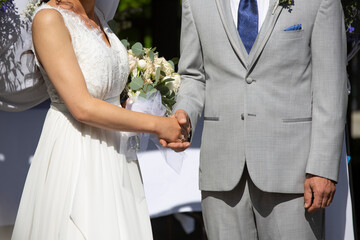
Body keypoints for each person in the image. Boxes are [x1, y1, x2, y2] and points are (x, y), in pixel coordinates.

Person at [162, 0, 348, 239]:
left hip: (293, 173)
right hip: (221, 171)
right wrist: (183, 113)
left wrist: (322, 167)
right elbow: (193, 76)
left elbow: (331, 86)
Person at [11, 0, 187, 239]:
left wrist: (146, 106)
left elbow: (108, 92)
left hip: (116, 153)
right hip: (77, 149)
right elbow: (82, 107)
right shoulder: (49, 19)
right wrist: (158, 126)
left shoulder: (100, 18)